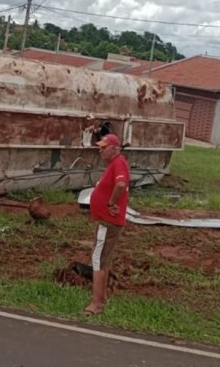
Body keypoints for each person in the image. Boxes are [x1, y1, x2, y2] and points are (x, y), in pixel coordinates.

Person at [82, 133, 129, 316]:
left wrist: (111, 203)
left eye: (104, 147)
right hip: (106, 221)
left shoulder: (118, 164)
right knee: (103, 259)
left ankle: (96, 303)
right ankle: (102, 298)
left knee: (97, 259)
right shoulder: (115, 164)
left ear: (115, 149)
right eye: (100, 147)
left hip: (108, 222)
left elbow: (120, 185)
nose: (101, 151)